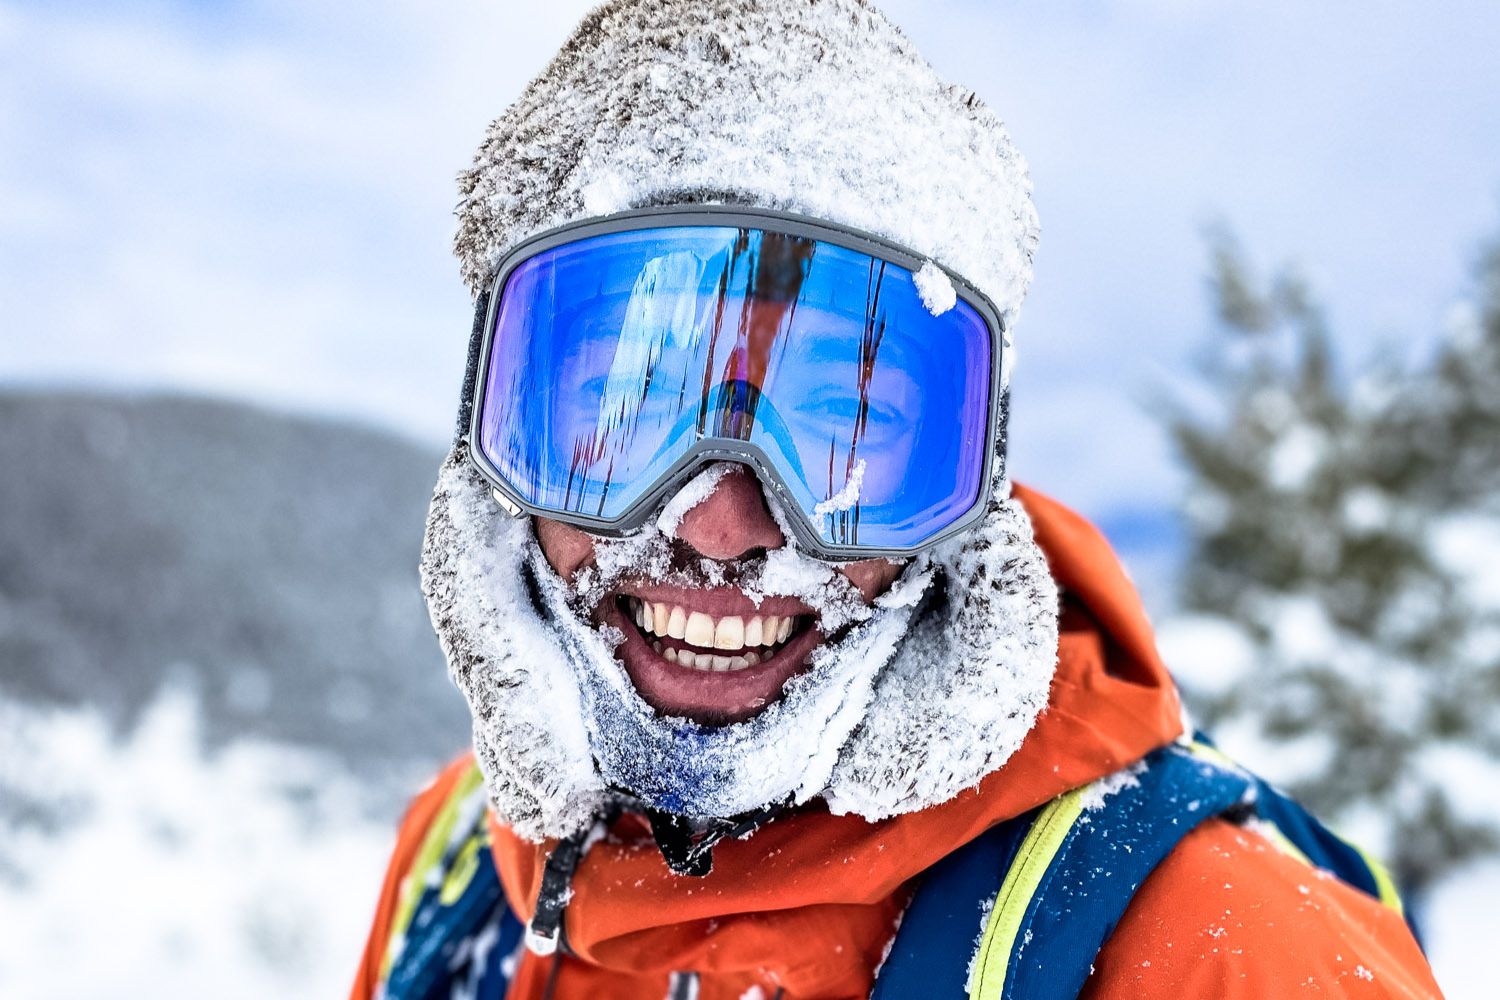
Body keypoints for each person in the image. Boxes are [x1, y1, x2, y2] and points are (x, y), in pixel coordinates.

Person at [352, 1, 1443, 997]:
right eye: (626, 406)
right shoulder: (453, 874)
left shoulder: (1233, 955)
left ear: (964, 502)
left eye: (843, 427)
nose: (720, 526)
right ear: (502, 445)